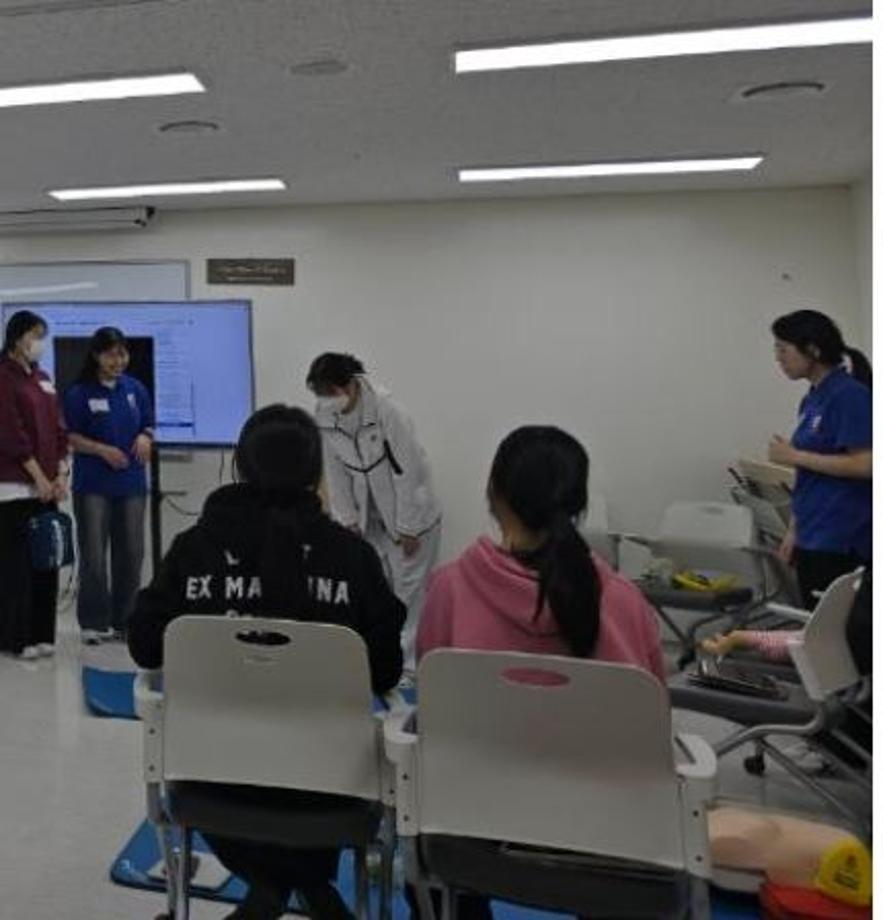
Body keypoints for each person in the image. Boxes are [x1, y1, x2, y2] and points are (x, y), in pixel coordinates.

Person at [128, 404, 405, 920]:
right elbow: (387, 670)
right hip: (331, 789)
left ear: (240, 466)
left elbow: (145, 645)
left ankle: (271, 890)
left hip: (212, 779)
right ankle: (305, 885)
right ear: (317, 474)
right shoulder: (351, 559)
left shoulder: (193, 550)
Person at [418, 425, 665, 681]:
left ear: (494, 493)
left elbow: (434, 692)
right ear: (579, 504)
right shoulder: (623, 601)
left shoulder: (447, 591)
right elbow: (652, 701)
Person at [307, 353, 441, 673]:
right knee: (377, 590)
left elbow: (408, 472)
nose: (325, 400)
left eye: (329, 392)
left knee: (408, 596)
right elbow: (334, 472)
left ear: (348, 386)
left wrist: (408, 527)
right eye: (319, 394)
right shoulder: (324, 415)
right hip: (369, 513)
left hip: (410, 515)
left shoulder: (387, 411)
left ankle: (407, 669)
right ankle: (381, 661)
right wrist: (348, 521)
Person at [768, 310, 871, 607]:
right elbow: (807, 473)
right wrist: (794, 529)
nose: (778, 358)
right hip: (813, 531)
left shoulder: (849, 395)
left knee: (838, 628)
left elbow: (867, 464)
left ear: (812, 350)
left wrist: (795, 455)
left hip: (842, 536)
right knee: (815, 622)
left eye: (783, 349)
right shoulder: (812, 398)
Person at [63, 327, 154, 644]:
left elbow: (148, 423)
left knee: (132, 552)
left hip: (131, 483)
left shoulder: (135, 389)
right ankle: (93, 622)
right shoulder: (79, 393)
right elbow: (70, 437)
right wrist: (101, 450)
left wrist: (145, 436)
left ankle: (124, 621)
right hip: (93, 485)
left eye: (122, 354)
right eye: (111, 355)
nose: (118, 361)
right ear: (96, 356)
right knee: (94, 555)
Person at [0, 310, 69, 659]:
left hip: (47, 487)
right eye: (34, 335)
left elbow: (58, 429)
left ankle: (43, 634)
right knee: (18, 567)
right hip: (14, 487)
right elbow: (11, 434)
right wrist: (39, 477)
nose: (39, 342)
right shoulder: (4, 377)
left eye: (43, 336)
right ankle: (18, 637)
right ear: (17, 338)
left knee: (46, 561)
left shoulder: (43, 378)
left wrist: (60, 474)